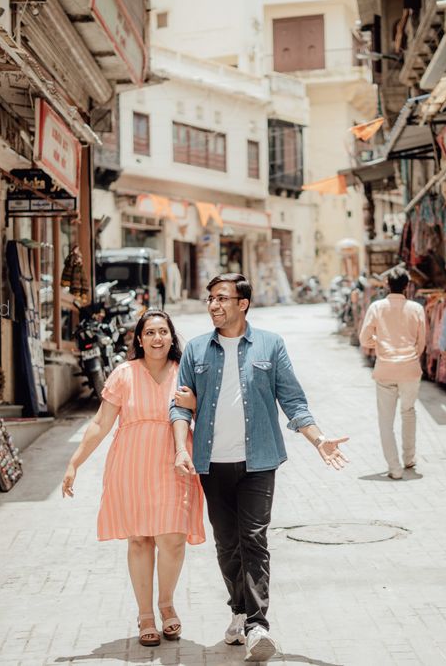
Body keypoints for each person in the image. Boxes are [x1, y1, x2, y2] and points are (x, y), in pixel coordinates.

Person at [169, 273, 349, 662]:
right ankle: (237, 610)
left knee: (253, 538)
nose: (214, 305)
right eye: (210, 299)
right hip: (211, 463)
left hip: (259, 460)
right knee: (226, 543)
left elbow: (293, 400)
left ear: (243, 303)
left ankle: (257, 625)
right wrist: (181, 449)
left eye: (222, 298)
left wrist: (318, 440)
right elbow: (179, 406)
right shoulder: (197, 349)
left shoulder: (270, 344)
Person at [62, 310, 205, 646]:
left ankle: (167, 603)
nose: (157, 339)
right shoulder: (124, 374)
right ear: (139, 340)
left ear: (172, 337)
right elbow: (100, 423)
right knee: (139, 539)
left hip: (176, 462)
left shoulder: (185, 373)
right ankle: (145, 616)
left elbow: (207, 413)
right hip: (131, 465)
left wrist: (196, 403)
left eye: (163, 332)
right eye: (150, 333)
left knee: (172, 537)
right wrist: (74, 463)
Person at [358, 266, 427, 479]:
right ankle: (409, 458)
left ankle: (395, 469)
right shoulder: (416, 308)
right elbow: (422, 343)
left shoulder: (377, 307)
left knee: (385, 422)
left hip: (385, 369)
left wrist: (379, 343)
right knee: (408, 412)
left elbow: (364, 339)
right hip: (410, 368)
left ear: (387, 285)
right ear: (407, 286)